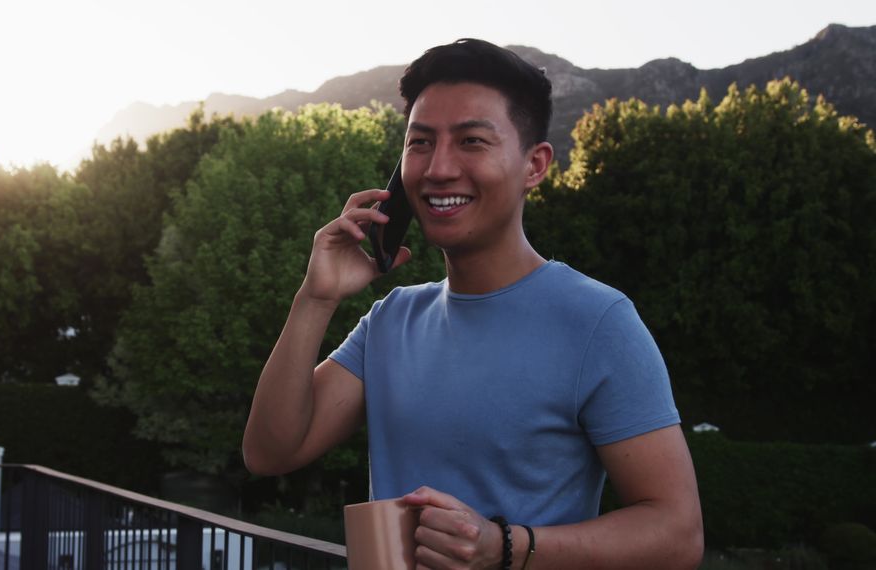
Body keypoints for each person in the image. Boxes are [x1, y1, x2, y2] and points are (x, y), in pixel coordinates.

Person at [243, 38, 703, 569]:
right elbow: (270, 453)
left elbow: (677, 534)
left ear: (534, 165)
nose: (438, 168)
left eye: (471, 141)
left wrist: (503, 547)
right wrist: (314, 297)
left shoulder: (598, 321)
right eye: (420, 143)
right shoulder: (393, 318)